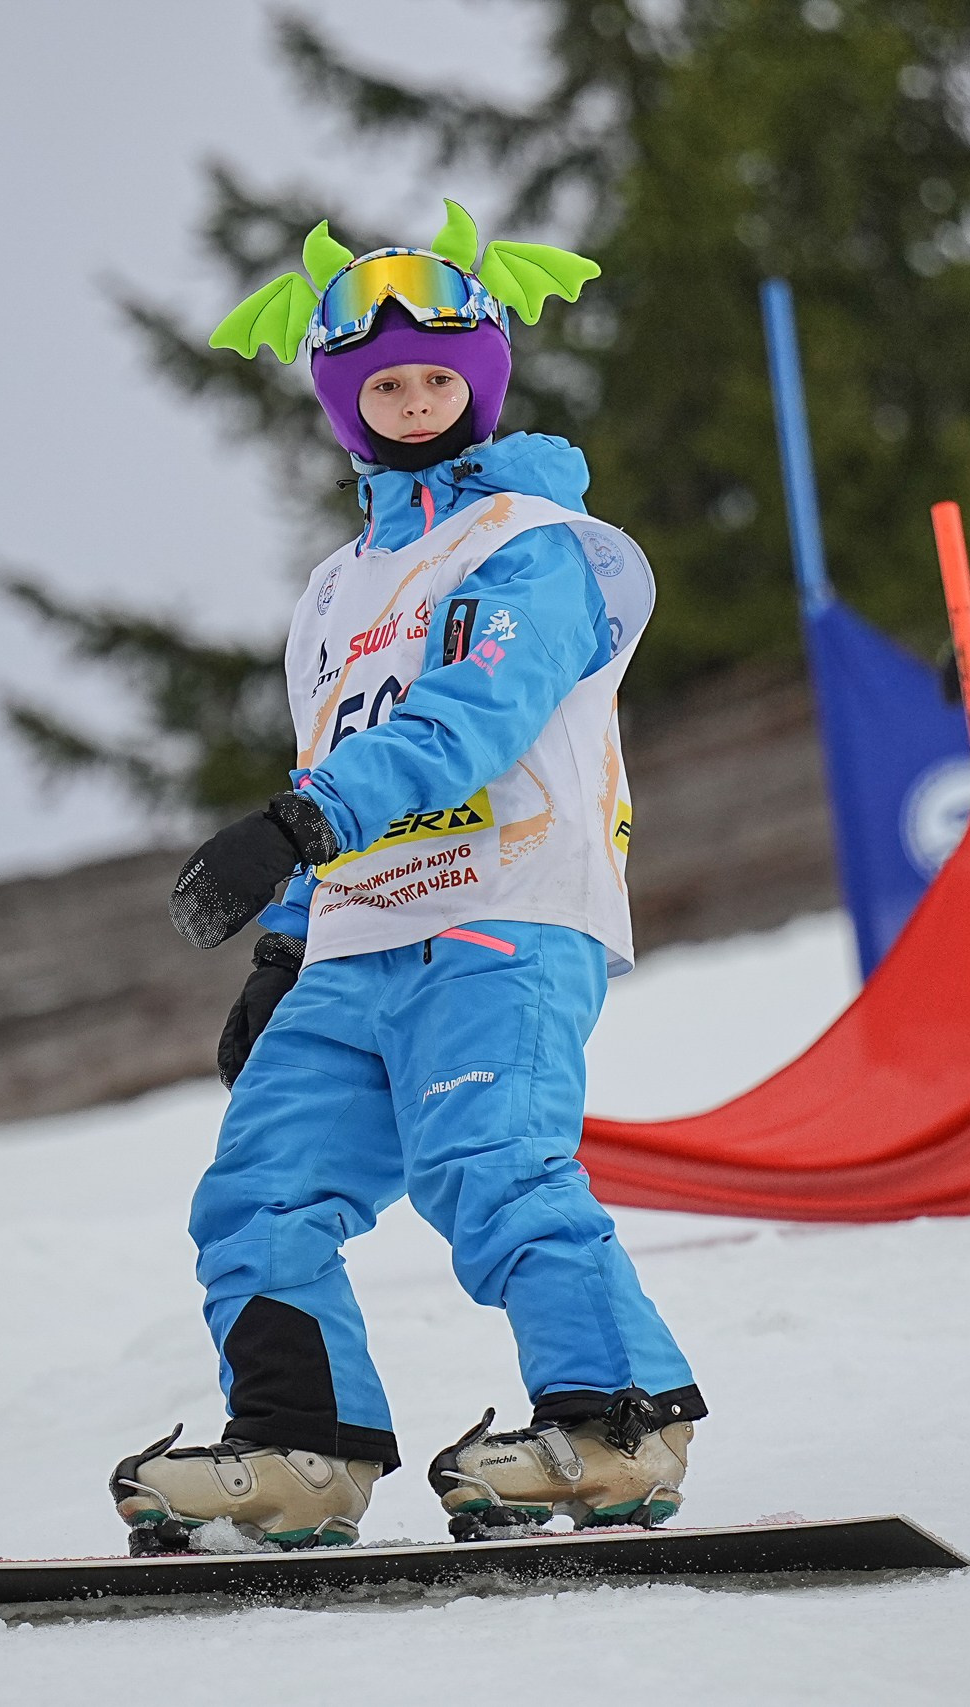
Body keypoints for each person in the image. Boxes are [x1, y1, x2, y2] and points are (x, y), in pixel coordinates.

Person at [112, 203, 704, 1555]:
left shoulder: (531, 544)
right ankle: (301, 1446)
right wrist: (284, 942)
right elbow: (337, 747)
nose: (417, 402)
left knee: (492, 1172)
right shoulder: (335, 591)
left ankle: (620, 1423)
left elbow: (466, 726)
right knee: (256, 1193)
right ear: (344, 403)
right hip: (361, 938)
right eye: (386, 384)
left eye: (440, 378)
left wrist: (295, 821)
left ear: (480, 382)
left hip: (500, 916)